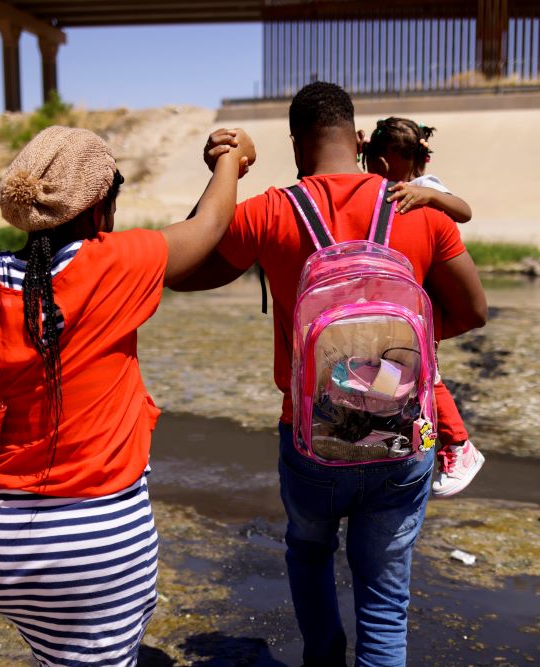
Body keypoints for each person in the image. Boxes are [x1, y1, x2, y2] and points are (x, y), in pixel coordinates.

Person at [0, 125, 255, 667]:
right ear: (97, 207)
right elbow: (210, 224)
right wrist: (230, 160)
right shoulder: (120, 262)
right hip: (100, 541)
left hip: (0, 549)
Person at [176, 82, 487, 667]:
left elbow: (182, 265)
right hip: (405, 434)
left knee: (310, 552)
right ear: (361, 137)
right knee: (385, 598)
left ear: (297, 145)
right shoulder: (416, 206)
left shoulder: (271, 210)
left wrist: (224, 173)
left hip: (309, 433)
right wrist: (390, 352)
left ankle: (322, 657)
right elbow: (473, 312)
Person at [361, 116, 485, 497]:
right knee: (400, 376)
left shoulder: (424, 188)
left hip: (422, 304)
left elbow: (463, 210)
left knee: (427, 378)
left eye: (370, 162)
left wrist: (431, 196)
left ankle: (460, 446)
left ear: (381, 165)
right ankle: (403, 432)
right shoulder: (398, 186)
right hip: (409, 303)